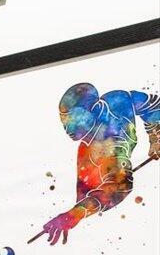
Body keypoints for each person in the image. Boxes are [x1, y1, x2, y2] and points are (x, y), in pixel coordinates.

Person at [38, 80, 158, 245]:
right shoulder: (86, 155)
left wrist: (155, 134)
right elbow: (88, 196)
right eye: (63, 122)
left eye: (72, 120)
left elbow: (119, 188)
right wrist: (76, 212)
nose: (66, 128)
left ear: (93, 110)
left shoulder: (111, 144)